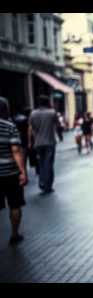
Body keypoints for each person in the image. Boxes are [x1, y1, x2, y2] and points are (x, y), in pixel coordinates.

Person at [0, 97, 28, 245]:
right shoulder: (9, 126)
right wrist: (23, 171)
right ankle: (14, 234)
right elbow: (16, 150)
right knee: (15, 205)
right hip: (10, 173)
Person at [29, 95, 57, 194]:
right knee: (48, 164)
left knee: (41, 163)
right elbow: (56, 125)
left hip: (38, 143)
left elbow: (31, 128)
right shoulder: (52, 112)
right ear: (47, 102)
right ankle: (48, 186)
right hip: (50, 142)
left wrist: (30, 141)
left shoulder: (33, 113)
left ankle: (42, 183)